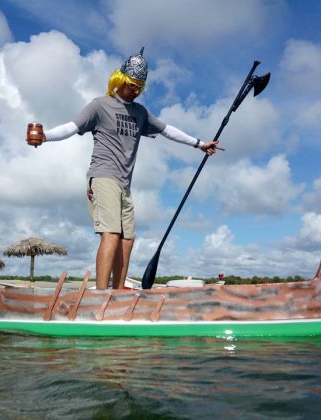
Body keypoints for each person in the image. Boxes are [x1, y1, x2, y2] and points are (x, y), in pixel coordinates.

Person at [31, 48, 220, 289]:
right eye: (132, 85)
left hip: (125, 184)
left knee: (127, 239)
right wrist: (45, 136)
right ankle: (101, 294)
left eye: (140, 86)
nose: (136, 90)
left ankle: (118, 293)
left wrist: (199, 144)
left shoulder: (141, 112)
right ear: (119, 80)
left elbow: (167, 130)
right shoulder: (99, 106)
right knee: (110, 233)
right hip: (103, 176)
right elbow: (71, 126)